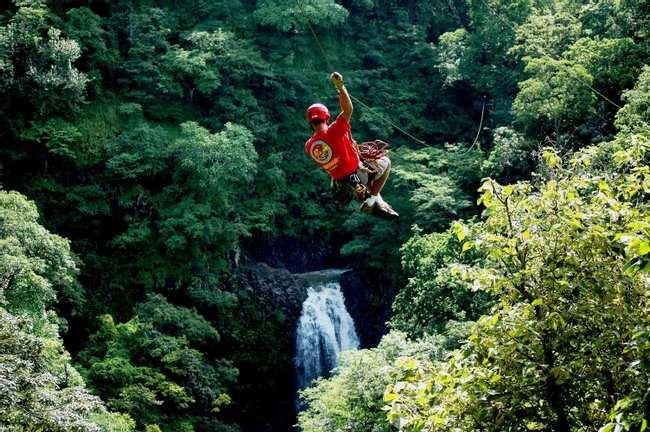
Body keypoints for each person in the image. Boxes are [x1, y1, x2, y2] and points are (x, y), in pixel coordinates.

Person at [305, 72, 398, 219]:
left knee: (367, 173)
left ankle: (380, 203)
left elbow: (333, 151)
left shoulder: (309, 145)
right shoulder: (333, 131)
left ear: (310, 122)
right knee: (386, 162)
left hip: (342, 179)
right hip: (356, 173)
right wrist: (340, 87)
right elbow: (348, 110)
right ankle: (373, 200)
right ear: (327, 117)